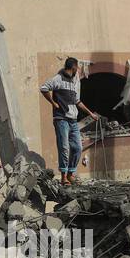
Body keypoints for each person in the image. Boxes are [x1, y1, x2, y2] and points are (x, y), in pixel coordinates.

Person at [40, 57, 100, 185]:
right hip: (61, 119)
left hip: (73, 120)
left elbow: (77, 101)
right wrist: (53, 102)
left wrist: (90, 114)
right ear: (73, 68)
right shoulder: (58, 79)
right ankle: (63, 177)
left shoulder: (74, 82)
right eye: (77, 68)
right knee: (64, 147)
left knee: (77, 147)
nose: (77, 71)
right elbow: (44, 88)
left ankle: (71, 173)